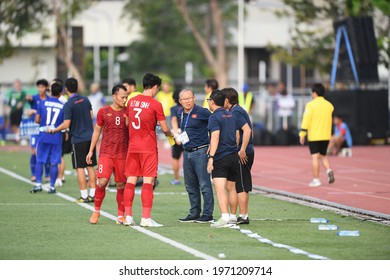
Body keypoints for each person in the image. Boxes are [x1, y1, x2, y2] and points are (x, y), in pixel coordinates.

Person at [123, 73, 174, 227]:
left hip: (133, 146)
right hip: (148, 147)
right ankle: (145, 218)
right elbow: (165, 129)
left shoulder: (131, 101)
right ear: (156, 87)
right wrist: (172, 136)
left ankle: (128, 216)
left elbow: (127, 122)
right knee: (148, 181)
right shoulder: (155, 104)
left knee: (130, 180)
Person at [50, 78, 97, 202]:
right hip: (90, 138)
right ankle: (93, 194)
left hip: (78, 139)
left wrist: (54, 130)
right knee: (90, 166)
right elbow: (92, 116)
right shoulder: (86, 99)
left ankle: (84, 196)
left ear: (66, 89)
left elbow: (66, 124)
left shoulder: (68, 104)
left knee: (80, 167)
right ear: (77, 87)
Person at [87, 85, 129, 225]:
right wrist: (91, 150)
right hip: (106, 153)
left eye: (126, 97)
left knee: (121, 185)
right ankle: (96, 210)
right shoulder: (103, 112)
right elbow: (96, 131)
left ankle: (120, 215)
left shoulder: (128, 112)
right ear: (114, 96)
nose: (125, 99)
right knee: (103, 181)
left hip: (122, 154)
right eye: (122, 97)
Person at [177, 89, 214, 223]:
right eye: (184, 99)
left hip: (201, 151)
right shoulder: (181, 113)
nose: (187, 101)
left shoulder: (202, 112)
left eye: (189, 98)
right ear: (180, 101)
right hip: (187, 152)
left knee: (204, 184)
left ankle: (208, 213)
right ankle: (194, 212)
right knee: (190, 185)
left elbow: (215, 124)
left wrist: (212, 143)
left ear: (194, 98)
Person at [207, 90, 239, 228]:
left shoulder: (214, 117)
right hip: (233, 155)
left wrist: (211, 157)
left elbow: (215, 136)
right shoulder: (231, 115)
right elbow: (237, 136)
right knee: (231, 188)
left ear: (212, 101)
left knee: (220, 188)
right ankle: (233, 216)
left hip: (221, 156)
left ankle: (224, 217)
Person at [223, 87, 254, 225]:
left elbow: (247, 130)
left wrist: (241, 150)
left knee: (241, 185)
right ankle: (242, 214)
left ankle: (243, 215)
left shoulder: (236, 111)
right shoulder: (234, 110)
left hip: (244, 153)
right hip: (242, 151)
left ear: (227, 100)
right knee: (238, 183)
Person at [29, 82, 64, 194]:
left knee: (40, 160)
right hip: (56, 136)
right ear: (60, 93)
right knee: (54, 162)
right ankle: (52, 187)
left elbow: (37, 120)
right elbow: (64, 123)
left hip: (44, 135)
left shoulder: (42, 103)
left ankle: (38, 184)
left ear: (50, 91)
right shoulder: (63, 106)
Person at [299, 83, 335, 187]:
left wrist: (302, 133)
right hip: (326, 135)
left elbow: (306, 120)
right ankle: (329, 170)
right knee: (323, 156)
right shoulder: (329, 105)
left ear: (315, 93)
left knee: (315, 157)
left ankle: (316, 179)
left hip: (314, 135)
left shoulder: (310, 105)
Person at [25, 79, 50, 182]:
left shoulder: (49, 99)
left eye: (42, 87)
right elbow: (29, 100)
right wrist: (28, 99)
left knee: (46, 151)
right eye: (39, 87)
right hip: (34, 127)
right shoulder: (34, 98)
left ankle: (47, 174)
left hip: (44, 128)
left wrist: (34, 111)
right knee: (35, 151)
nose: (40, 89)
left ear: (46, 88)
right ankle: (34, 174)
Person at [170, 89, 183, 186]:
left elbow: (174, 120)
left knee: (175, 157)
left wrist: (177, 135)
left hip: (177, 133)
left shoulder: (174, 109)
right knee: (188, 157)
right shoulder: (187, 108)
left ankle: (177, 179)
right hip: (187, 133)